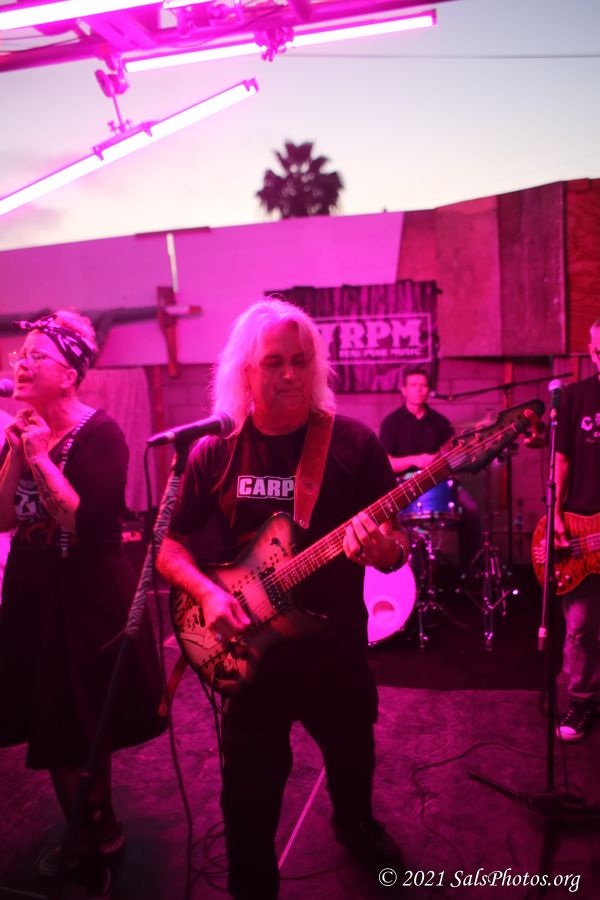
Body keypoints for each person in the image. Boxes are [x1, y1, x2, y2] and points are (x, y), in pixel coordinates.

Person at [157, 299, 410, 900]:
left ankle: (354, 823)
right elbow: (167, 549)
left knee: (352, 755)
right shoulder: (214, 451)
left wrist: (381, 550)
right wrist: (207, 596)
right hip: (250, 658)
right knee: (248, 795)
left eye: (301, 361)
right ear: (245, 370)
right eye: (274, 363)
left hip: (334, 650)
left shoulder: (353, 443)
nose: (291, 374)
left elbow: (397, 547)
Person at [0, 310, 165, 878]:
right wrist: (17, 452)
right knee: (50, 720)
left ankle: (96, 837)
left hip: (84, 597)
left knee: (77, 725)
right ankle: (89, 833)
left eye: (35, 356)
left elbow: (83, 521)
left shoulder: (101, 434)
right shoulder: (25, 430)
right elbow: (2, 520)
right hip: (32, 594)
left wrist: (40, 456)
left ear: (69, 374)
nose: (21, 364)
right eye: (19, 355)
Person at [379, 366, 481, 570]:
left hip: (437, 484)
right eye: (413, 385)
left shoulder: (440, 422)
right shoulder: (392, 423)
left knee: (471, 511)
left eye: (423, 385)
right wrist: (416, 460)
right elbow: (387, 463)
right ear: (404, 390)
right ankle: (404, 574)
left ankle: (469, 574)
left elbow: (453, 458)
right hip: (403, 487)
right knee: (387, 522)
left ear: (428, 390)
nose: (419, 389)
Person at [554, 317, 600, 742]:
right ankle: (582, 700)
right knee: (580, 627)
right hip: (582, 524)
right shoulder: (574, 397)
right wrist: (554, 513)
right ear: (591, 351)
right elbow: (562, 460)